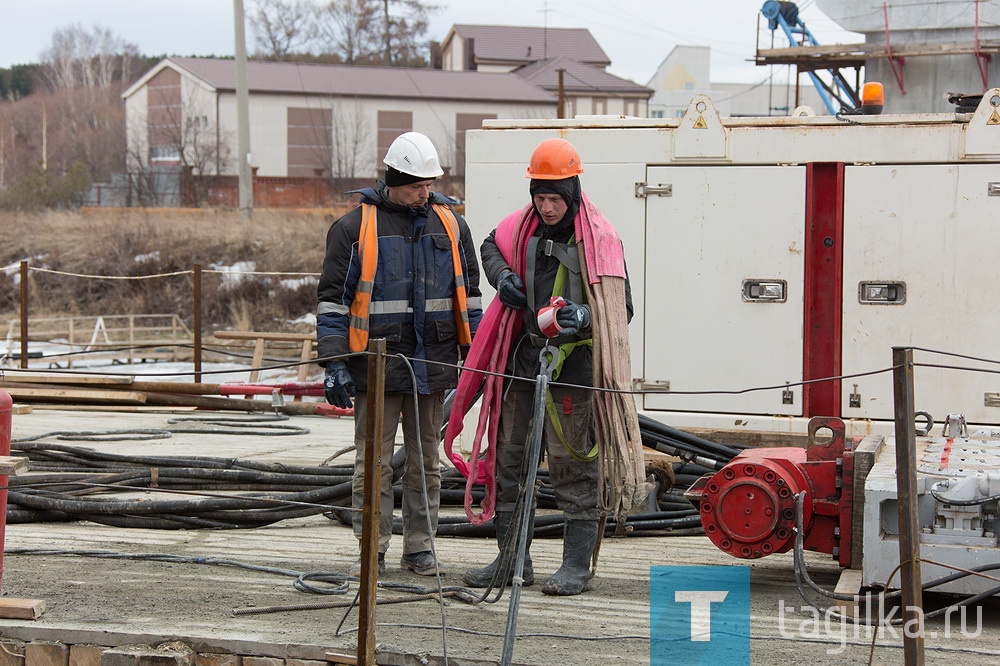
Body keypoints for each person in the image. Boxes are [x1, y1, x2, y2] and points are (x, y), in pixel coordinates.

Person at [460, 138, 633, 596]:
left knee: (572, 464)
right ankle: (512, 560)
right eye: (540, 196)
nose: (547, 206)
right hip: (521, 362)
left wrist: (586, 317)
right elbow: (489, 245)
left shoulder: (600, 241)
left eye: (555, 197)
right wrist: (502, 277)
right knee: (509, 461)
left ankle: (577, 566)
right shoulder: (521, 228)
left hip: (573, 370)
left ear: (573, 191)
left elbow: (622, 308)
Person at [316, 131, 483, 576]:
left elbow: (469, 296)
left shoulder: (451, 225)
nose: (424, 194)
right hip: (375, 367)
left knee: (426, 462)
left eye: (429, 185)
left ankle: (420, 547)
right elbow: (333, 300)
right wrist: (334, 362)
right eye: (416, 186)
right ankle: (372, 548)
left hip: (433, 365)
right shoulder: (353, 229)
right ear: (393, 179)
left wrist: (478, 352)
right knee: (372, 465)